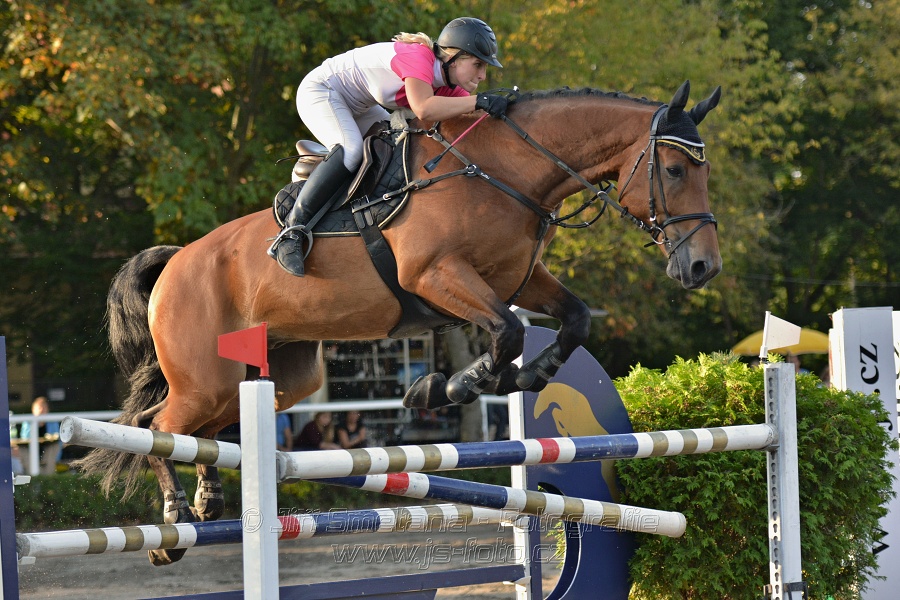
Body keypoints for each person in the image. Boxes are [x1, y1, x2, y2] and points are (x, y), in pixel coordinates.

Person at [268, 17, 508, 276]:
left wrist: (504, 109)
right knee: (351, 152)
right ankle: (291, 232)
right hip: (322, 91)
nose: (483, 75)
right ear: (454, 57)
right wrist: (479, 102)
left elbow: (472, 115)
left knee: (400, 149)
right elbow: (424, 108)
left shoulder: (448, 86)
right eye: (478, 65)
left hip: (359, 106)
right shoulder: (419, 57)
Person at [19, 396, 61, 475]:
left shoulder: (52, 421)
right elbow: (25, 439)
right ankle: (34, 478)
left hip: (47, 452)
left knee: (54, 446)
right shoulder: (28, 422)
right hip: (30, 451)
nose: (42, 410)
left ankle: (47, 478)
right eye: (39, 408)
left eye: (44, 408)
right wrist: (37, 423)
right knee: (22, 449)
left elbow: (56, 438)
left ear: (47, 410)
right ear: (33, 410)